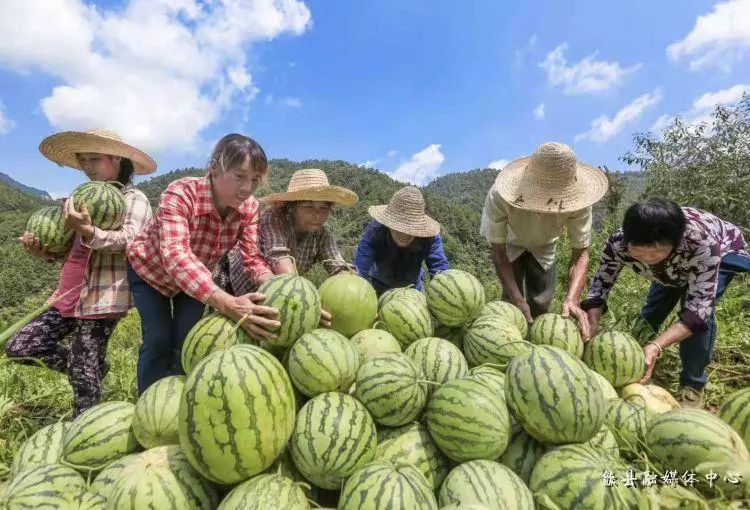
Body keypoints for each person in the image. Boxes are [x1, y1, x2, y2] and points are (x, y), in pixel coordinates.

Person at [6, 129, 156, 416]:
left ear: (116, 159)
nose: (87, 167)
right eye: (83, 160)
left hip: (101, 297)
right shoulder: (80, 198)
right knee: (22, 345)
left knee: (83, 372)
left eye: (94, 159)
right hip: (65, 295)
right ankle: (94, 370)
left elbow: (130, 241)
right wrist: (46, 252)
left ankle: (84, 426)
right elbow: (73, 250)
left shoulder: (133, 199)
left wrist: (88, 230)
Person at [126, 133, 279, 394]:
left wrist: (287, 290)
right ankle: (147, 403)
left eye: (255, 180)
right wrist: (226, 302)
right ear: (215, 167)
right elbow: (176, 255)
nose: (247, 188)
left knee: (189, 340)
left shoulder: (249, 208)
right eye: (240, 176)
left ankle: (175, 402)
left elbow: (252, 259)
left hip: (197, 281)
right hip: (151, 273)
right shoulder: (181, 193)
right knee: (158, 339)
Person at [581, 199, 749, 408]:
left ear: (675, 244)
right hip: (673, 266)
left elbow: (697, 314)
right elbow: (601, 284)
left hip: (724, 250)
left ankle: (693, 384)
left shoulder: (703, 245)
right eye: (639, 252)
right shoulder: (619, 242)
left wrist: (657, 345)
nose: (647, 258)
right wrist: (593, 317)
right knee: (654, 308)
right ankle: (636, 357)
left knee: (698, 320)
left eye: (655, 252)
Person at [479, 142, 608, 337]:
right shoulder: (500, 196)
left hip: (545, 247)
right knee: (512, 303)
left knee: (541, 301)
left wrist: (572, 299)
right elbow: (498, 252)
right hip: (510, 246)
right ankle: (508, 341)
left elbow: (580, 254)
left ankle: (537, 341)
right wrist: (517, 298)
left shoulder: (579, 202)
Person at [220, 168, 359, 296]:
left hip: (278, 293)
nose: (317, 215)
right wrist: (305, 297)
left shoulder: (322, 236)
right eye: (309, 207)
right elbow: (279, 259)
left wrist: (356, 288)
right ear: (292, 207)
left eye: (323, 208)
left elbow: (339, 267)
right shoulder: (273, 219)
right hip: (236, 287)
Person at [354, 186, 449, 296]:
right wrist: (361, 296)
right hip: (379, 286)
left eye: (410, 229)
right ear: (388, 224)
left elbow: (439, 269)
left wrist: (444, 297)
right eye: (399, 227)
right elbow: (360, 269)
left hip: (413, 290)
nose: (404, 234)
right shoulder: (376, 231)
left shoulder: (430, 238)